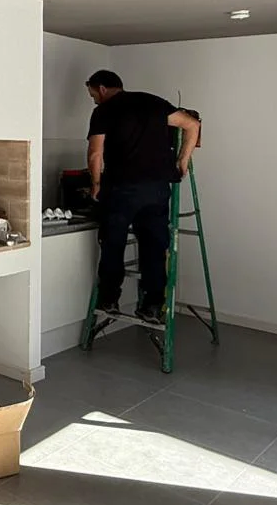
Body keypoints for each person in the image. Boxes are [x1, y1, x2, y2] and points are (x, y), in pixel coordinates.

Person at [84, 70, 202, 322]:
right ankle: (152, 306)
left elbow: (95, 154)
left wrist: (95, 184)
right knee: (155, 246)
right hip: (157, 189)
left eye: (93, 94)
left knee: (113, 243)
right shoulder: (154, 102)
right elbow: (192, 124)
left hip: (121, 189)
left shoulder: (104, 111)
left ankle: (109, 299)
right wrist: (182, 162)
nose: (93, 99)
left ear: (102, 88)